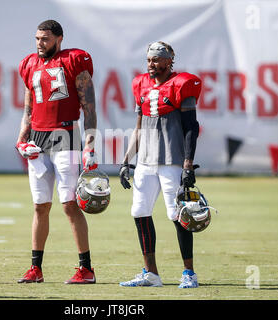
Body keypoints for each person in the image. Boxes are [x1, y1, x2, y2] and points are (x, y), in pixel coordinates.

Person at [15, 20, 98, 284]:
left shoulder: (74, 60)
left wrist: (90, 144)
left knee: (69, 204)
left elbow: (89, 108)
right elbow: (28, 107)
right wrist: (21, 137)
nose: (40, 43)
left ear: (59, 39)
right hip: (38, 138)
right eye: (37, 38)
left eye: (46, 38)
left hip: (65, 135)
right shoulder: (30, 64)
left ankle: (86, 269)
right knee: (40, 206)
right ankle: (35, 269)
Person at [119, 41, 202, 288]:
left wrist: (188, 164)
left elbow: (191, 128)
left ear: (168, 61)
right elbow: (138, 128)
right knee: (139, 211)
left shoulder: (181, 84)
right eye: (149, 60)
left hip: (171, 160)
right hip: (145, 161)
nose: (151, 64)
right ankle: (151, 274)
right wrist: (126, 161)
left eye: (156, 60)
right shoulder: (140, 85)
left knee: (178, 214)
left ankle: (189, 273)